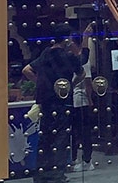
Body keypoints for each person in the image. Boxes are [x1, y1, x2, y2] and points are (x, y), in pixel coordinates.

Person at [23, 24, 83, 183]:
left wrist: (42, 84)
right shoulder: (69, 57)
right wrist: (69, 86)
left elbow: (27, 70)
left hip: (46, 102)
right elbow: (81, 73)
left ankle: (41, 174)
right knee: (61, 138)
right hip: (63, 102)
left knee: (45, 138)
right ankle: (57, 174)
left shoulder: (46, 54)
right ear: (66, 39)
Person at [71, 22, 97, 171]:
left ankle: (86, 160)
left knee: (83, 132)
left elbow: (88, 83)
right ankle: (79, 159)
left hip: (81, 101)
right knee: (79, 132)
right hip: (76, 101)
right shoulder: (73, 59)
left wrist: (90, 99)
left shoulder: (82, 61)